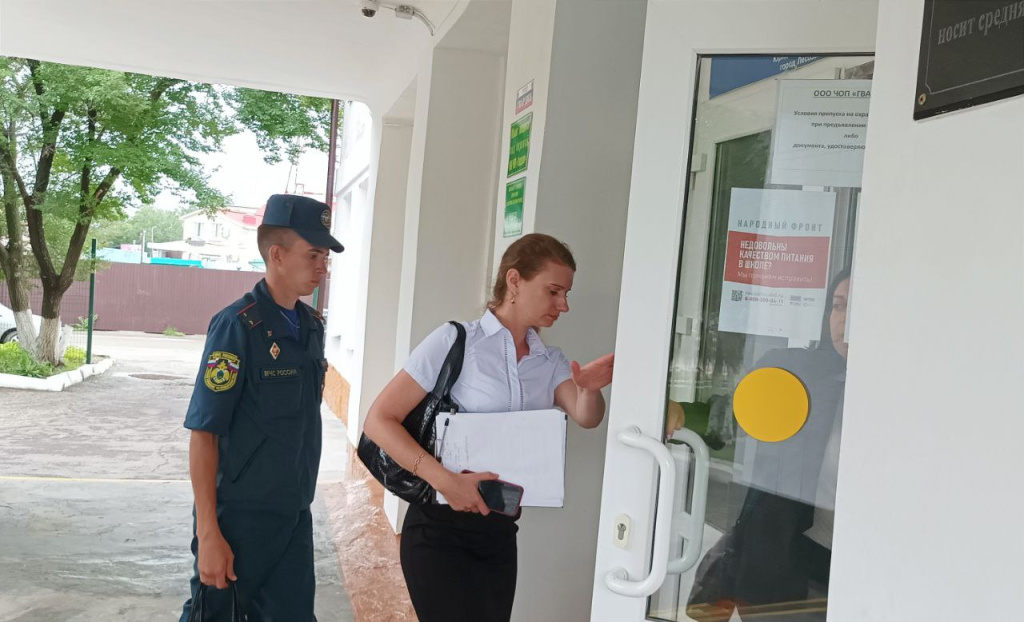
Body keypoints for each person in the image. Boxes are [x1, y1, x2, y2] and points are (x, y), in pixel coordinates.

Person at [362, 233, 614, 622]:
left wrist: (590, 389)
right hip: (438, 529)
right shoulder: (456, 340)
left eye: (566, 294)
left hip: (499, 531)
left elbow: (586, 416)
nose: (563, 305)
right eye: (553, 291)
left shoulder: (549, 361)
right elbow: (379, 419)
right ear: (514, 281)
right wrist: (444, 480)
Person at [178, 194, 344, 622]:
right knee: (214, 615)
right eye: (314, 255)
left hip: (293, 516)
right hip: (240, 520)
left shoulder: (311, 326)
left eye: (325, 256)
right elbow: (204, 432)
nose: (323, 267)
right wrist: (209, 531)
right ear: (277, 254)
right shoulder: (237, 327)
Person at [686, 269, 851, 619]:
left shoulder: (906, 391)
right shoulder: (794, 372)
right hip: (789, 559)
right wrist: (675, 414)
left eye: (856, 309)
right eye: (838, 306)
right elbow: (728, 420)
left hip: (868, 560)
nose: (845, 321)